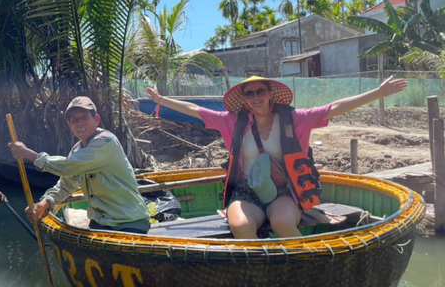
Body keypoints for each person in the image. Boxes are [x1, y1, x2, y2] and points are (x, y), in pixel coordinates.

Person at [146, 75, 407, 239]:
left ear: (270, 94)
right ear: (244, 100)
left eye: (260, 91)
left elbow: (333, 108)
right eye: (250, 94)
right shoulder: (232, 122)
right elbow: (195, 110)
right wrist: (161, 99)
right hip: (247, 192)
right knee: (240, 224)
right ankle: (261, 273)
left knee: (282, 222)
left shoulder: (295, 119)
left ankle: (300, 271)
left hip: (286, 191)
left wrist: (378, 93)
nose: (256, 97)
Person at [8, 96, 151, 234]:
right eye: (74, 120)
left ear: (96, 120)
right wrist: (45, 203)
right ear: (69, 125)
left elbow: (68, 167)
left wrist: (28, 154)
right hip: (102, 222)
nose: (80, 123)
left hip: (129, 221)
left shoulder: (105, 141)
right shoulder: (77, 150)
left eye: (84, 118)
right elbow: (66, 185)